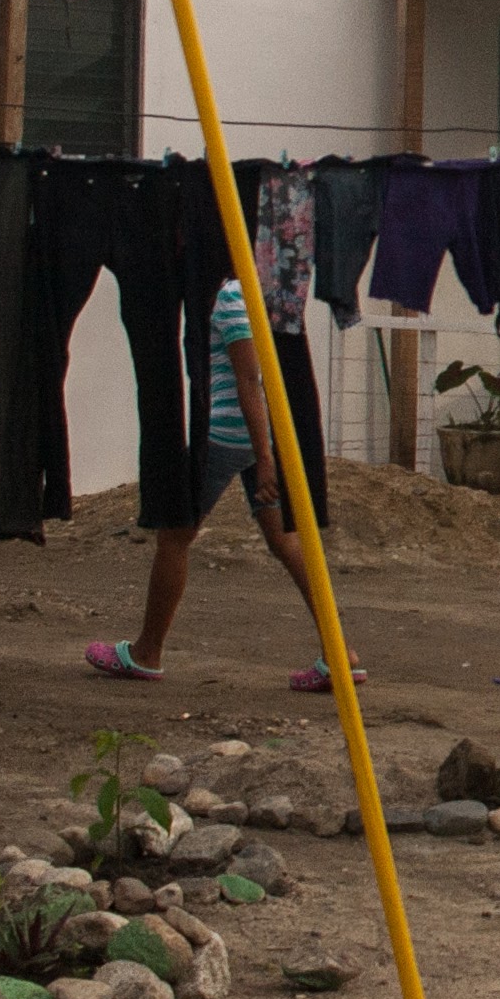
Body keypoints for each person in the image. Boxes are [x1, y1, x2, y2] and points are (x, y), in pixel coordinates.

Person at [85, 276, 360, 693]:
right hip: (258, 433)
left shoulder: (231, 295)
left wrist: (265, 461)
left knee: (174, 537)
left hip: (227, 435)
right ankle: (340, 654)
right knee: (286, 541)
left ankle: (147, 653)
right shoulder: (261, 289)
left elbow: (249, 378)